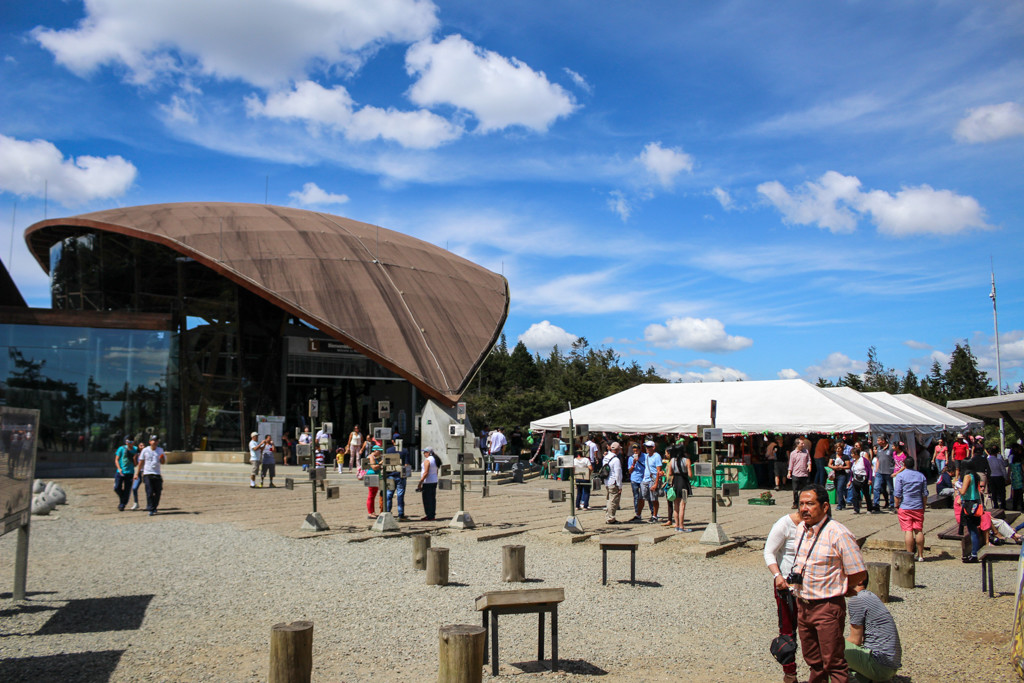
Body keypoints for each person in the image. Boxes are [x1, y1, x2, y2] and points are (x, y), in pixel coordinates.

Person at [791, 484, 867, 683]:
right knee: (813, 660)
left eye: (810, 504)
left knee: (833, 661)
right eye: (801, 504)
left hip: (827, 606)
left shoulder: (838, 533)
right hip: (803, 604)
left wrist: (840, 587)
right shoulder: (801, 529)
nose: (804, 508)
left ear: (825, 507)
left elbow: (858, 572)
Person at [765, 508, 803, 683]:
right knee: (787, 632)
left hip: (813, 586)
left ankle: (820, 673)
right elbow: (769, 552)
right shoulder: (784, 524)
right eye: (803, 503)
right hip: (786, 585)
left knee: (814, 631)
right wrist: (777, 575)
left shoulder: (819, 525)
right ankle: (790, 674)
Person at [845, 574, 901, 683]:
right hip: (890, 666)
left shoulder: (857, 599)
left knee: (830, 645)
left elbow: (855, 640)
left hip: (880, 665)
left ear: (860, 580)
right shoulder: (870, 596)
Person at [893, 457, 928, 561]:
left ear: (904, 465)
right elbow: (924, 494)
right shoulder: (921, 476)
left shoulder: (901, 476)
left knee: (908, 530)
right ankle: (921, 555)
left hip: (905, 505)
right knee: (919, 530)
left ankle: (909, 555)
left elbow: (897, 493)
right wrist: (924, 506)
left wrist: (896, 505)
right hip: (918, 505)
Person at [957, 461, 983, 562]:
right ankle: (974, 553)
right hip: (976, 502)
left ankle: (974, 554)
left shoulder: (968, 476)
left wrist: (957, 485)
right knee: (974, 530)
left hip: (969, 504)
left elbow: (963, 491)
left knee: (972, 530)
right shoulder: (975, 476)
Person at [135, 435, 167, 516]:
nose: (155, 442)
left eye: (156, 441)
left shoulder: (160, 450)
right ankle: (151, 508)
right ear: (150, 442)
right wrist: (136, 473)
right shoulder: (145, 450)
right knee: (149, 492)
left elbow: (163, 462)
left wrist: (162, 458)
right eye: (153, 440)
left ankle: (154, 506)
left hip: (156, 474)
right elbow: (141, 463)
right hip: (147, 474)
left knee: (158, 492)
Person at [667, 445, 693, 532]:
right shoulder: (687, 460)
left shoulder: (672, 461)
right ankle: (682, 526)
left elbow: (670, 473)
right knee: (683, 505)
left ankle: (677, 525)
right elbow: (690, 474)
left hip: (676, 483)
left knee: (676, 505)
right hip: (684, 484)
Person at [385, 434, 410, 521]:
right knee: (400, 495)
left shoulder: (388, 450)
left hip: (390, 475)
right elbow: (406, 465)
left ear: (393, 441)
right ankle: (401, 514)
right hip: (400, 476)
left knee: (389, 495)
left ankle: (387, 512)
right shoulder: (405, 451)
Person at [871, 438, 894, 513]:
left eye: (878, 440)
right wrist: (876, 470)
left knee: (891, 489)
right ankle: (876, 504)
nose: (877, 442)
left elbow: (895, 459)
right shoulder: (879, 449)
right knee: (876, 488)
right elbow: (878, 460)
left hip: (889, 472)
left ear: (883, 441)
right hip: (879, 472)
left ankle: (892, 504)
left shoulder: (891, 448)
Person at [641, 441, 663, 522]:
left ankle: (655, 515)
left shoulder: (657, 456)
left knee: (654, 498)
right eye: (646, 447)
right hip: (645, 479)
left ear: (653, 447)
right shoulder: (646, 456)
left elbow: (659, 471)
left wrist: (656, 483)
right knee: (645, 497)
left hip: (653, 479)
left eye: (649, 447)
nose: (647, 449)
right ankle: (652, 513)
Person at [114, 436, 137, 511]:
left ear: (133, 442)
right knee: (117, 487)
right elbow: (116, 460)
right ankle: (123, 498)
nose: (129, 444)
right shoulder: (121, 448)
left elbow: (135, 463)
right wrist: (119, 468)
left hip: (130, 472)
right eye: (127, 442)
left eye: (130, 442)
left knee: (127, 489)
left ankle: (122, 504)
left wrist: (134, 459)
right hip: (120, 472)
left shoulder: (135, 449)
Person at [603, 442, 623, 524]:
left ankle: (608, 516)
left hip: (607, 481)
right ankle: (611, 518)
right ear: (617, 450)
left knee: (609, 499)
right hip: (613, 482)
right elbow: (617, 474)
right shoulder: (616, 460)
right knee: (613, 501)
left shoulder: (606, 457)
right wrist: (619, 485)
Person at [849, 445, 873, 515]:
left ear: (856, 454)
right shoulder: (853, 462)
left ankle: (869, 509)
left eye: (852, 453)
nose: (851, 455)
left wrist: (870, 479)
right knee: (855, 495)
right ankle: (856, 509)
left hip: (863, 479)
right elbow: (852, 472)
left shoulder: (864, 460)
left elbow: (869, 470)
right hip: (855, 479)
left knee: (866, 494)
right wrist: (850, 481)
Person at [417, 446, 439, 521]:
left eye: (425, 452)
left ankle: (429, 515)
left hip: (428, 482)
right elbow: (436, 471)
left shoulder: (427, 461)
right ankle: (432, 514)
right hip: (434, 481)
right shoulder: (435, 459)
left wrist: (420, 482)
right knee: (432, 499)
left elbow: (426, 472)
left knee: (427, 499)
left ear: (428, 453)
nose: (424, 454)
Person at [788, 438, 811, 509]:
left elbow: (809, 460)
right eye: (802, 443)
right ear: (797, 444)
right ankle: (795, 503)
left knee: (805, 489)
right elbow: (791, 463)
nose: (803, 445)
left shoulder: (806, 451)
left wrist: (809, 465)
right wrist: (789, 472)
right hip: (796, 473)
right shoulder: (793, 453)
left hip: (804, 473)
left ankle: (805, 502)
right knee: (795, 490)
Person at [627, 444, 646, 521]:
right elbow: (630, 471)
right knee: (636, 496)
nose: (635, 452)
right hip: (634, 479)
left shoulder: (645, 456)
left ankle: (653, 513)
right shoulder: (631, 458)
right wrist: (634, 463)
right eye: (634, 450)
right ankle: (637, 513)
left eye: (637, 450)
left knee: (644, 496)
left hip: (643, 478)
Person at [830, 443, 850, 512]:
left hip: (842, 475)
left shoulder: (845, 457)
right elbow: (829, 464)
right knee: (837, 488)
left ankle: (840, 505)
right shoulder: (833, 456)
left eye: (839, 448)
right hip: (835, 475)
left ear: (842, 449)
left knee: (839, 488)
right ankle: (843, 502)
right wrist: (834, 467)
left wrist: (842, 467)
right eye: (836, 448)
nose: (838, 449)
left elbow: (848, 466)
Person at [987, 445, 1008, 510]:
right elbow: (1003, 469)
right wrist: (1006, 477)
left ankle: (995, 504)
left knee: (994, 492)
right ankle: (1003, 505)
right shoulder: (998, 460)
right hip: (999, 476)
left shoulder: (987, 460)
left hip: (991, 477)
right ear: (996, 453)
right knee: (1001, 492)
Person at [365, 445, 381, 518]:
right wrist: (381, 462)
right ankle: (370, 512)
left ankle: (372, 512)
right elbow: (374, 467)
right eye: (379, 451)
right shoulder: (371, 457)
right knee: (371, 495)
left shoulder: (374, 457)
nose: (380, 452)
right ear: (375, 450)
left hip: (375, 476)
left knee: (373, 495)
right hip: (372, 476)